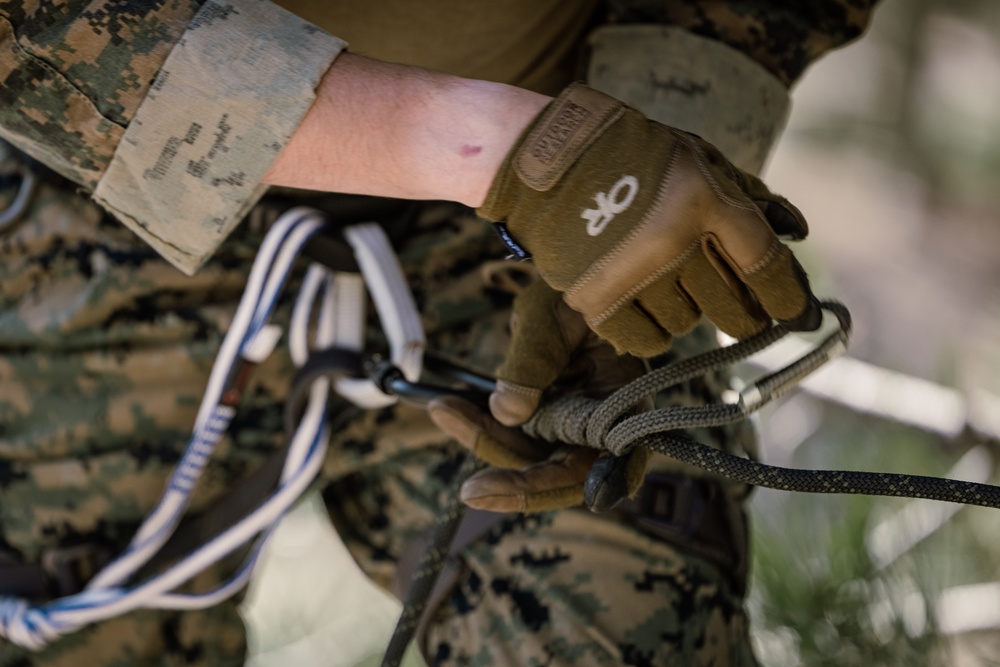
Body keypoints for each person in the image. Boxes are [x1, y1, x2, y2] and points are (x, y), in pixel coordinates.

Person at [0, 1, 879, 664]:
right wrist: (498, 150)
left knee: (632, 616)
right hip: (87, 207)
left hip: (527, 222)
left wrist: (635, 183)